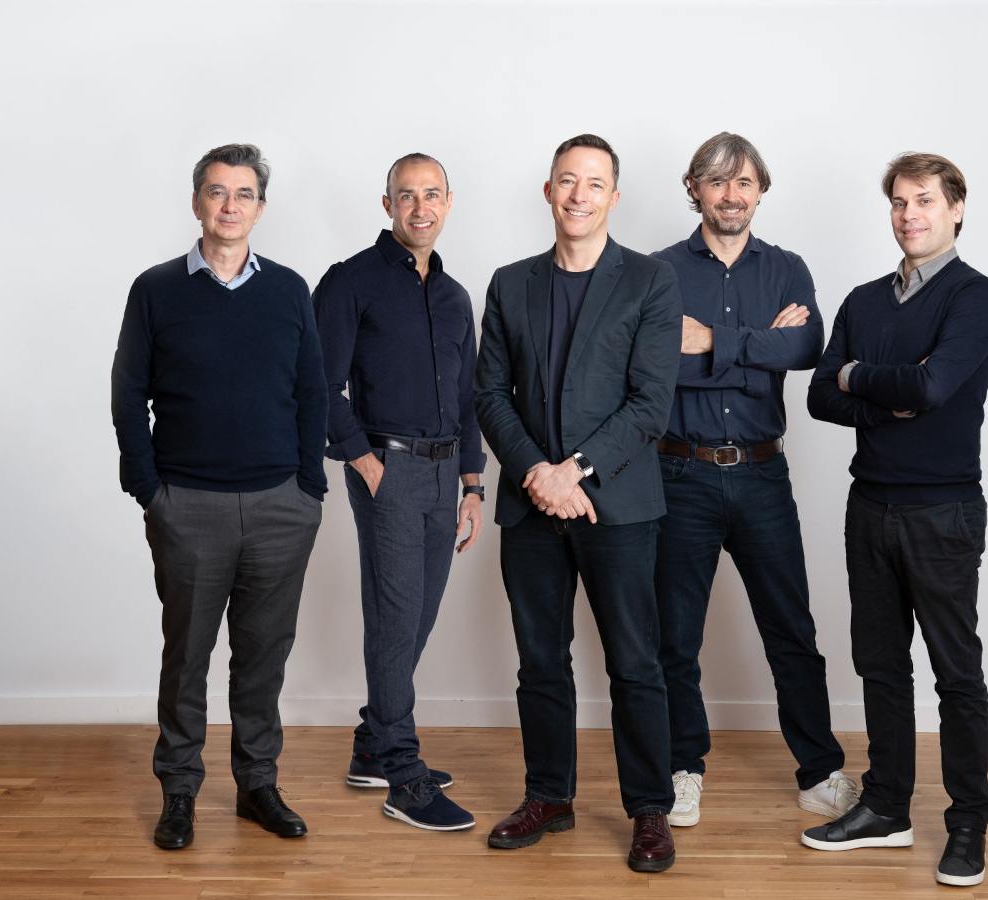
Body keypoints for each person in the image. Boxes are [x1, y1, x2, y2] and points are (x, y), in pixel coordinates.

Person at [475, 134, 682, 873]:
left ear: (614, 197)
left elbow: (650, 403)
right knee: (540, 661)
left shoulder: (651, 282)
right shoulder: (510, 283)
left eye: (594, 183)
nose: (579, 195)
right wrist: (537, 471)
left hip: (617, 506)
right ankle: (549, 797)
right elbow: (489, 394)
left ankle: (649, 810)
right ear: (548, 190)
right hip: (530, 504)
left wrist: (574, 472)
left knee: (635, 663)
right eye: (567, 180)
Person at [111, 143, 327, 850]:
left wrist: (309, 487)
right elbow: (127, 395)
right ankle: (179, 791)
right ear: (197, 201)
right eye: (217, 191)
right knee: (187, 658)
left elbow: (313, 392)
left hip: (280, 506)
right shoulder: (155, 289)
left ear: (260, 208)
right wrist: (149, 490)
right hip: (188, 506)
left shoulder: (289, 290)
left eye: (244, 194)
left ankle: (257, 785)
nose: (230, 205)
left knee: (263, 657)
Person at [802, 152, 988, 888]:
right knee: (880, 666)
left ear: (956, 209)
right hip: (870, 507)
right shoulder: (862, 301)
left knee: (956, 673)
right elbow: (820, 395)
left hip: (942, 511)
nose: (909, 214)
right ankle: (886, 808)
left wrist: (861, 375)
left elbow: (934, 386)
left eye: (924, 200)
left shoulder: (974, 296)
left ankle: (969, 822)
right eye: (898, 201)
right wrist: (887, 394)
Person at [651, 132, 858, 828]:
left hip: (764, 474)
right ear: (695, 190)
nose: (731, 195)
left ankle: (820, 772)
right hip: (680, 472)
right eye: (717, 181)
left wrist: (711, 342)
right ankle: (682, 768)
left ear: (760, 190)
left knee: (791, 628)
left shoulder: (788, 268)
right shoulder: (658, 272)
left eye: (744, 182)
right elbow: (655, 363)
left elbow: (806, 348)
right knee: (675, 636)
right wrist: (757, 349)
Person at [312, 153, 485, 832]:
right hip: (388, 467)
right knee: (394, 618)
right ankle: (402, 775)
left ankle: (371, 745)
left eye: (431, 194)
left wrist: (473, 483)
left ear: (449, 202)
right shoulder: (350, 281)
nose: (420, 207)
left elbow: (468, 397)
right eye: (406, 195)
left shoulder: (454, 296)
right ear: (387, 205)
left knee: (416, 617)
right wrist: (362, 457)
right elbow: (318, 384)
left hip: (446, 474)